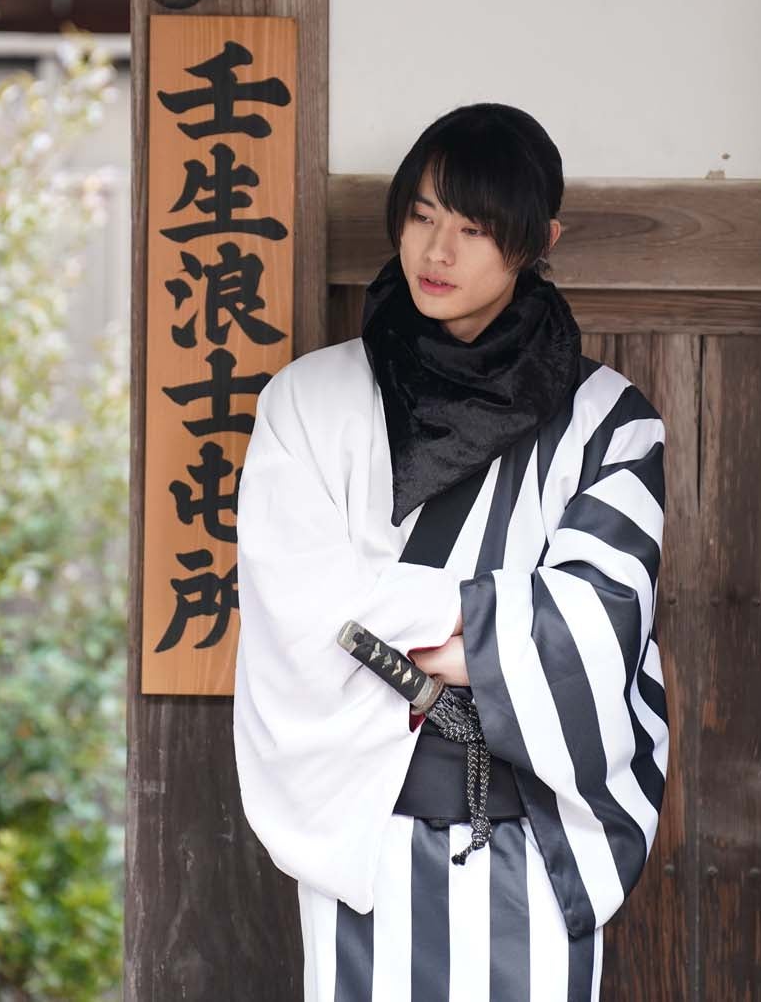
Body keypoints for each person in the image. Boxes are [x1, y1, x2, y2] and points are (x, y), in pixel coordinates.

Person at [233, 102, 669, 1001]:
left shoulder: (609, 423)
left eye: (474, 229)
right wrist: (495, 625)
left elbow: (597, 622)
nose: (438, 251)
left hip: (530, 842)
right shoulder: (309, 403)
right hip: (366, 836)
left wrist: (394, 623)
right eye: (424, 215)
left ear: (539, 241)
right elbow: (302, 609)